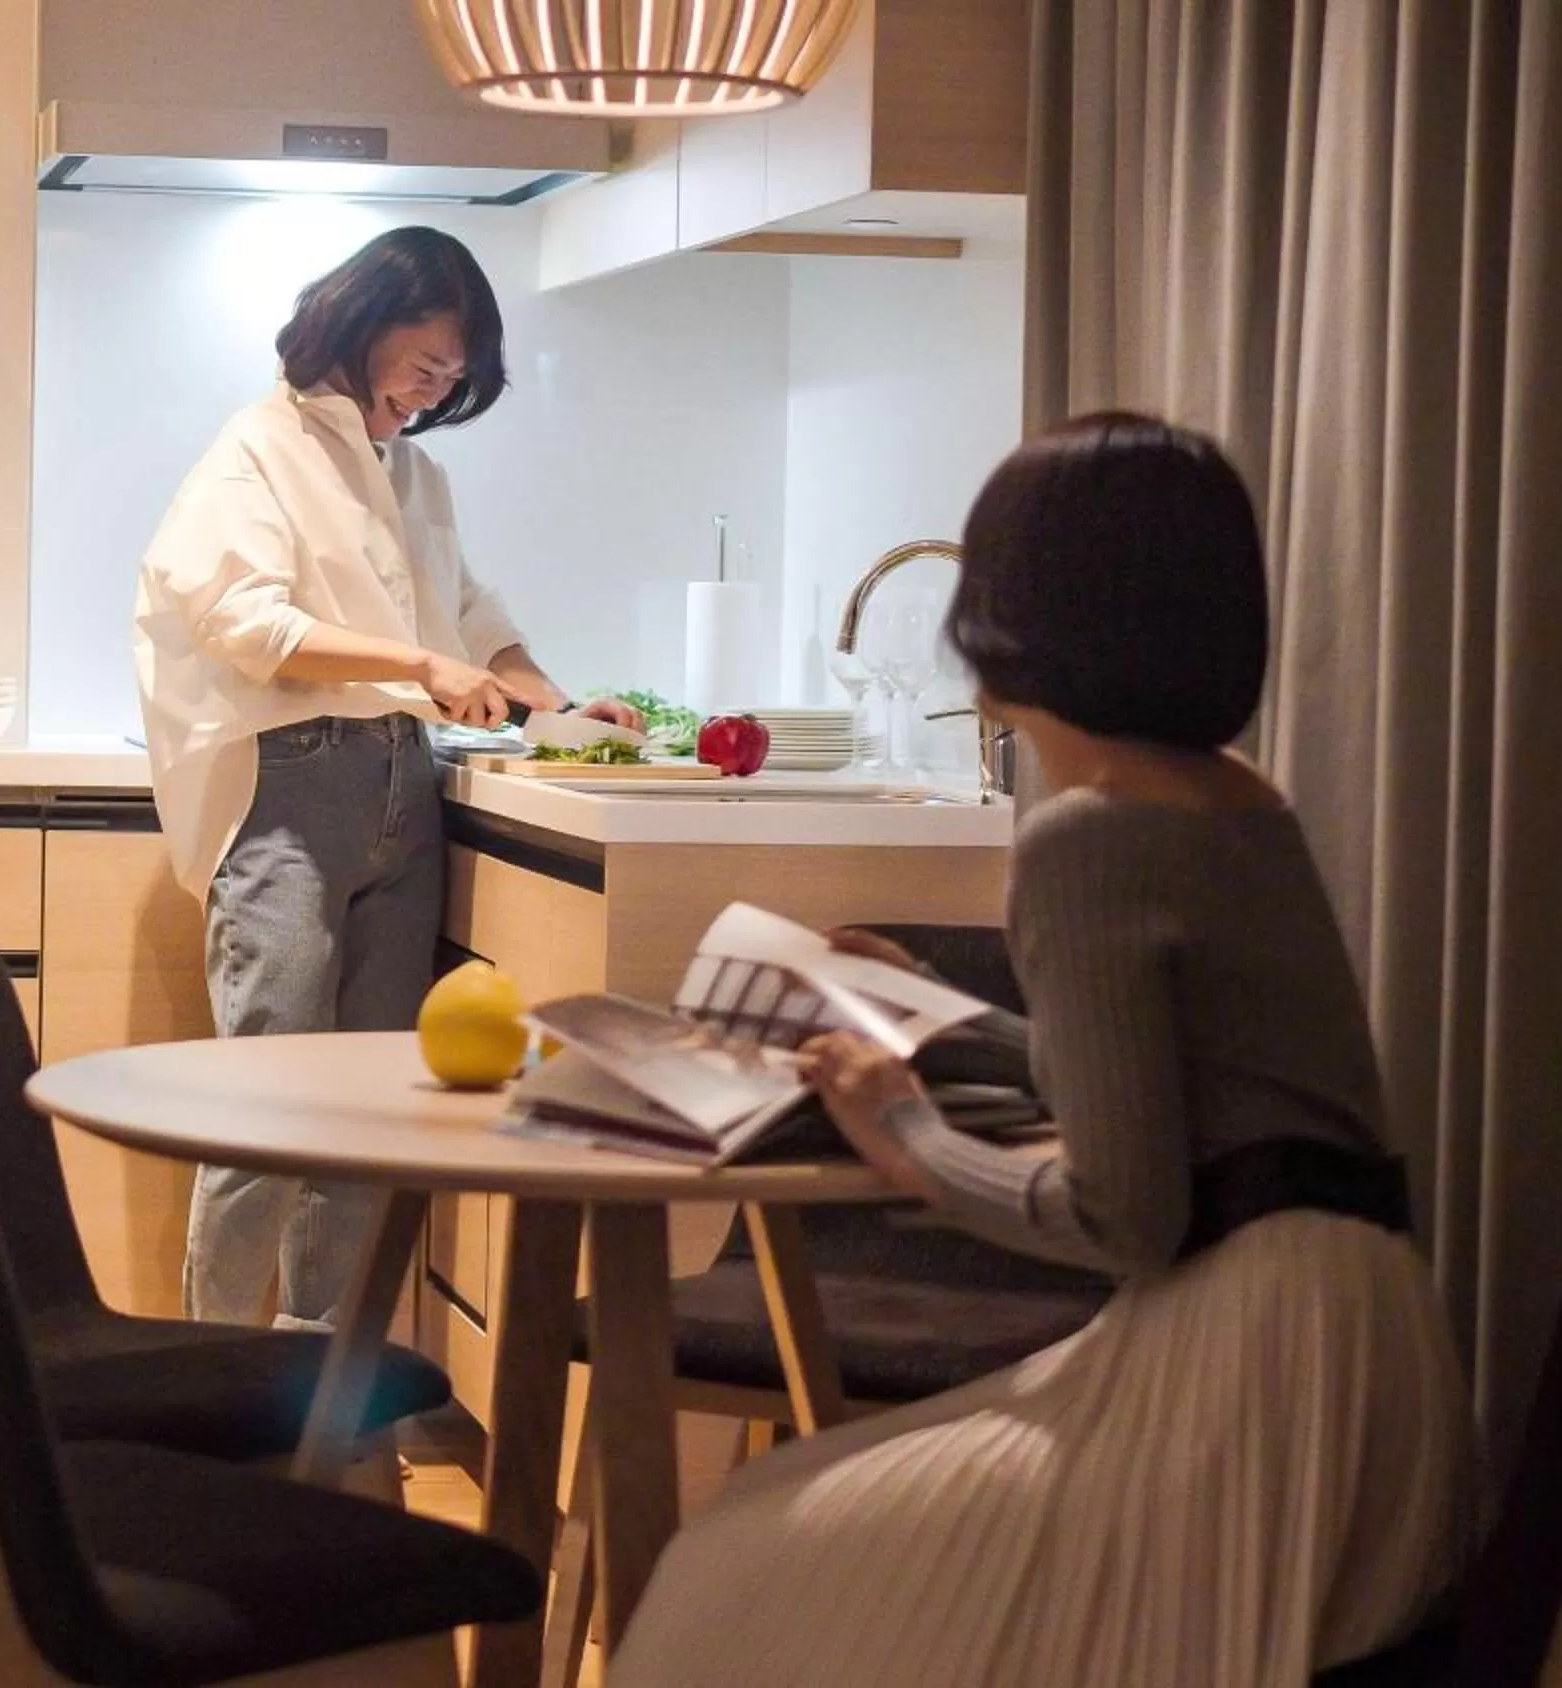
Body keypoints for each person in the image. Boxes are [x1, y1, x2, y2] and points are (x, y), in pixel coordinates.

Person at [609, 414, 1473, 1686]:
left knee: (734, 1556)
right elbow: (1193, 1090)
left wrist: (905, 1131)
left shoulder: (1087, 840)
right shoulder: (1245, 800)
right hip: (1372, 1339)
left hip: (1240, 1369)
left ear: (1012, 617)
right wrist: (943, 1020)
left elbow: (1122, 1209)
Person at [133, 227, 643, 1329]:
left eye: (452, 379)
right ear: (363, 325)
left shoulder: (413, 470)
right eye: (427, 365)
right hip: (288, 794)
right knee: (266, 1108)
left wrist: (561, 713)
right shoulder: (255, 450)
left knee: (365, 1117)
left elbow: (470, 617)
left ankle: (324, 1398)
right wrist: (416, 664)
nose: (433, 392)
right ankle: (213, 1390)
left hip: (401, 790)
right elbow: (243, 623)